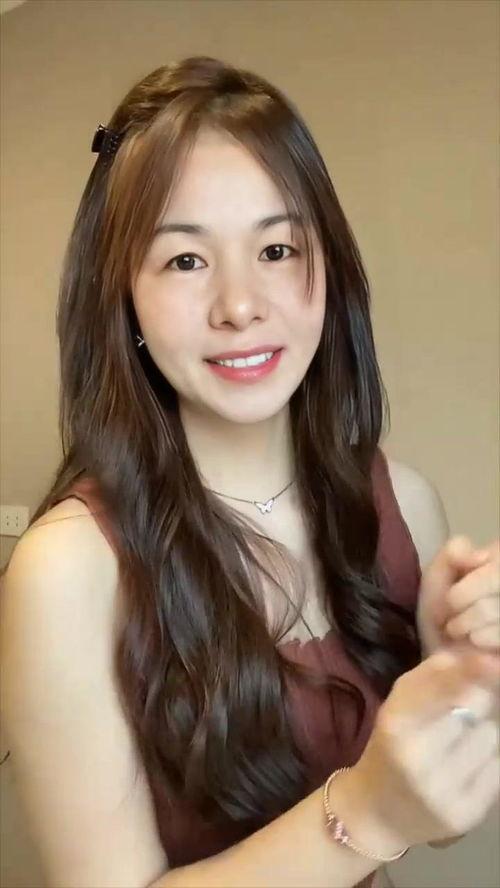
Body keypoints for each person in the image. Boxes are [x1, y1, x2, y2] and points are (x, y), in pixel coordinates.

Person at [0, 56, 499, 888]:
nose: (240, 305)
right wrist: (366, 810)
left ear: (328, 270)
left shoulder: (404, 505)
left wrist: (463, 694)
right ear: (123, 297)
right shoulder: (65, 571)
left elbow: (437, 824)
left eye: (276, 249)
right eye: (185, 261)